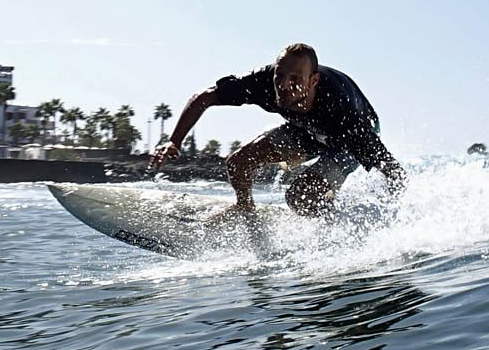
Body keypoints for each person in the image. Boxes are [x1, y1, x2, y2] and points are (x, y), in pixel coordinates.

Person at [149, 43, 406, 221]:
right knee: (238, 163)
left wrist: (400, 207)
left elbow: (389, 167)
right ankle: (245, 210)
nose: (283, 86)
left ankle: (337, 229)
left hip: (346, 141)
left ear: (313, 80)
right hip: (306, 130)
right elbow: (203, 97)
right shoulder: (263, 83)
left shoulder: (342, 109)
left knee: (299, 197)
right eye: (280, 76)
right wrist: (174, 141)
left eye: (295, 79)